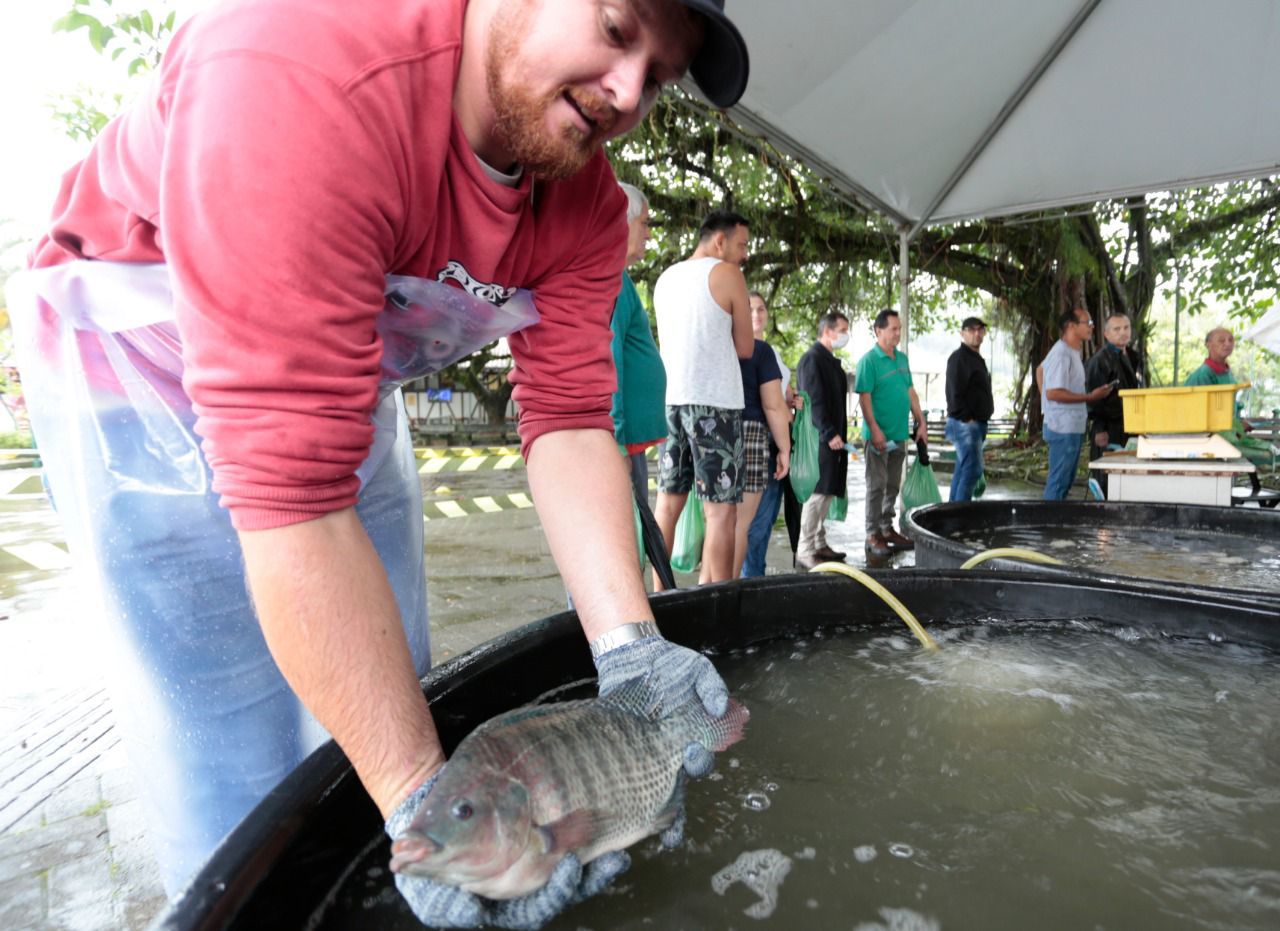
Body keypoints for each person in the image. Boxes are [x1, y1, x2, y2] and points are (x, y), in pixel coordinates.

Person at [4, 1, 750, 925]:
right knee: (240, 765)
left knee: (392, 698)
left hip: (343, 378)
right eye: (615, 25)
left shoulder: (587, 207)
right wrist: (412, 798)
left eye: (661, 76)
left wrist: (630, 649)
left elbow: (564, 418)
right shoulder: (302, 70)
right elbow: (295, 501)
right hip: (137, 373)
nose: (630, 91)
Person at [653, 211, 754, 583]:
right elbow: (745, 346)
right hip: (715, 404)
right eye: (742, 245)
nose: (744, 254)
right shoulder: (727, 273)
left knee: (667, 506)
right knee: (721, 513)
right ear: (720, 241)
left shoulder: (665, 278)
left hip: (670, 402)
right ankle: (718, 605)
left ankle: (660, 596)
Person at [609, 182, 667, 514]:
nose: (648, 234)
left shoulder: (622, 278)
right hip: (621, 442)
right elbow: (609, 360)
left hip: (629, 441)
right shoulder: (611, 278)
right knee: (629, 538)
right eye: (644, 223)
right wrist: (615, 441)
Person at [853, 309, 928, 557]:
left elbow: (910, 392)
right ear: (878, 330)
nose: (898, 333)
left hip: (899, 434)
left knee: (893, 485)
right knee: (876, 486)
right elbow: (864, 397)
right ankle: (872, 534)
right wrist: (874, 429)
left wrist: (921, 421)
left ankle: (887, 528)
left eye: (899, 328)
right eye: (893, 329)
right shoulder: (868, 361)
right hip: (878, 435)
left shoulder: (902, 359)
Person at [741, 291, 803, 577]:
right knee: (751, 525)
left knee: (761, 524)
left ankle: (751, 580)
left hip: (776, 437)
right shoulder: (738, 347)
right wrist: (784, 447)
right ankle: (747, 584)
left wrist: (793, 401)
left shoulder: (771, 351)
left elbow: (781, 396)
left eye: (761, 308)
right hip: (758, 439)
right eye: (750, 309)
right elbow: (769, 403)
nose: (756, 314)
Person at [731, 317, 791, 578]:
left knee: (718, 523)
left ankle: (709, 587)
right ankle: (731, 590)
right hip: (753, 435)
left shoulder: (713, 347)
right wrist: (784, 448)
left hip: (711, 431)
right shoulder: (761, 351)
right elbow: (773, 406)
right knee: (742, 526)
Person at [795, 311, 852, 569]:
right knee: (817, 495)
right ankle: (805, 548)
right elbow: (813, 400)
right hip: (821, 439)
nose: (845, 335)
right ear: (827, 331)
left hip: (833, 438)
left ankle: (818, 542)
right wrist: (829, 432)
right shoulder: (812, 359)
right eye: (842, 329)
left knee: (828, 493)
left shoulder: (829, 361)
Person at [1041, 308, 1114, 500]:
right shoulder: (1061, 353)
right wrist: (1090, 397)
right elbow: (1053, 392)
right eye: (1087, 323)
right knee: (1058, 483)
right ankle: (1048, 526)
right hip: (1062, 428)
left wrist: (1046, 405)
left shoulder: (1070, 352)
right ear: (1071, 326)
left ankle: (1054, 522)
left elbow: (1040, 370)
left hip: (1070, 426)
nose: (1092, 327)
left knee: (1065, 481)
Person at [1084, 311, 1142, 495]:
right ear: (1106, 334)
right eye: (1117, 329)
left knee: (1129, 475)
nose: (1122, 332)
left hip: (1130, 425)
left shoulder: (1133, 357)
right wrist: (1100, 428)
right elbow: (1092, 397)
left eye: (1126, 328)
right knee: (1107, 477)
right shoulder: (1099, 361)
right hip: (1108, 427)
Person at [944, 316, 994, 503]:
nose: (976, 334)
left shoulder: (976, 359)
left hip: (976, 423)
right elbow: (953, 393)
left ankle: (951, 514)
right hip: (965, 424)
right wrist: (967, 418)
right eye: (971, 330)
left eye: (980, 330)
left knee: (963, 470)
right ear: (962, 333)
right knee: (972, 471)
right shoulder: (959, 359)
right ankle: (960, 517)